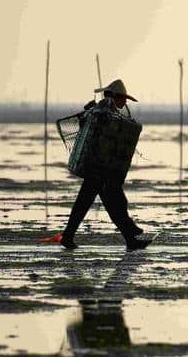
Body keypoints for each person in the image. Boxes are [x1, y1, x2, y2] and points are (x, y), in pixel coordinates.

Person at [61, 79, 151, 251]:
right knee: (110, 201)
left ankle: (129, 237)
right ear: (115, 97)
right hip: (97, 167)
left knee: (104, 201)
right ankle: (130, 235)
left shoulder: (102, 110)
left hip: (99, 168)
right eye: (123, 98)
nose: (124, 102)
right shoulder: (103, 110)